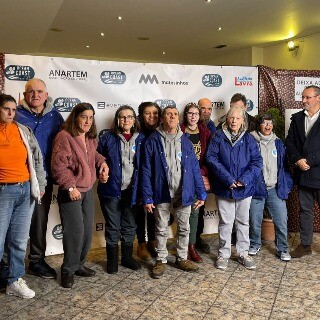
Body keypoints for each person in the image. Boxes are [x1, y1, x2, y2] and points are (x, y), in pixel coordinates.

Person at [141, 106, 207, 279]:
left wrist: (201, 193)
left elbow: (194, 168)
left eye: (175, 114)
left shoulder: (185, 140)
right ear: (162, 118)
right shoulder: (153, 140)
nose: (172, 117)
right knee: (161, 228)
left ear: (179, 118)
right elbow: (146, 170)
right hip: (161, 192)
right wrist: (147, 196)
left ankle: (181, 258)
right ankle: (161, 260)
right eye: (168, 114)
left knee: (184, 228)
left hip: (183, 193)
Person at [51, 103, 108, 288]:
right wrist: (69, 186)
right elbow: (58, 166)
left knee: (86, 233)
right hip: (71, 192)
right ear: (75, 117)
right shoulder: (64, 137)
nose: (88, 121)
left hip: (87, 190)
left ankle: (79, 266)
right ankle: (67, 270)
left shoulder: (90, 137)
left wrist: (102, 163)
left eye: (91, 118)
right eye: (84, 117)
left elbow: (93, 155)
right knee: (74, 233)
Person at [14, 78, 64, 279]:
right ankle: (7, 264)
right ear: (25, 95)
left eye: (39, 91)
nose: (35, 95)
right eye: (31, 91)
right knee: (12, 222)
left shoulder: (55, 117)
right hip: (19, 177)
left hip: (43, 179)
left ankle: (36, 260)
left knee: (39, 221)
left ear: (46, 94)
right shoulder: (14, 114)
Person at [0, 94, 46, 299]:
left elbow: (37, 158)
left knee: (18, 241)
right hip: (2, 192)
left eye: (13, 109)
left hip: (25, 190)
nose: (11, 113)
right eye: (5, 109)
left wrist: (41, 184)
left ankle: (14, 280)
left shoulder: (22, 130)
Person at [206, 105, 262, 270]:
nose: (234, 121)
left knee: (243, 222)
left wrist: (244, 180)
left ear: (243, 120)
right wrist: (228, 179)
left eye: (237, 118)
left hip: (245, 189)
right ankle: (223, 255)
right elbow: (211, 158)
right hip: (225, 188)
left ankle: (243, 253)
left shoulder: (249, 139)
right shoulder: (218, 136)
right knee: (226, 222)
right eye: (231, 118)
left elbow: (257, 162)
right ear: (227, 119)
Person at [98, 105, 143, 274]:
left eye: (129, 117)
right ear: (117, 119)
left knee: (130, 225)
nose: (126, 120)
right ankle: (112, 260)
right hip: (111, 189)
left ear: (134, 120)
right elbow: (97, 159)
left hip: (132, 191)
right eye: (123, 117)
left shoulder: (141, 139)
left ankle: (127, 257)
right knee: (112, 226)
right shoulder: (107, 138)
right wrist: (100, 171)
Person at [249, 113, 293, 261]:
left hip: (275, 188)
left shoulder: (279, 143)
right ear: (258, 125)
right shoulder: (250, 141)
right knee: (254, 219)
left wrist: (286, 185)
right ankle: (255, 244)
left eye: (270, 123)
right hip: (256, 189)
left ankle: (283, 249)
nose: (268, 126)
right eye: (264, 123)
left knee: (281, 219)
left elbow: (285, 167)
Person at [285, 85, 320, 258]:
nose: (304, 100)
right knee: (305, 211)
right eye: (303, 97)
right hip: (303, 174)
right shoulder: (297, 118)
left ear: (318, 98)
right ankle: (305, 245)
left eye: (308, 97)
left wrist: (310, 161)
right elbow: (289, 142)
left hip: (318, 172)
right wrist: (298, 160)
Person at [180, 103, 211, 263]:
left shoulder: (205, 133)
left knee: (194, 213)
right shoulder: (178, 130)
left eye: (196, 114)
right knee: (178, 213)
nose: (193, 116)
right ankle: (180, 246)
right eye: (190, 113)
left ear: (200, 116)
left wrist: (202, 173)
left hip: (197, 178)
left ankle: (191, 247)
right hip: (180, 177)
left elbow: (209, 158)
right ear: (185, 115)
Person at [136, 102, 162, 261]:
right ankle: (141, 244)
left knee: (153, 211)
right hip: (138, 177)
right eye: (147, 113)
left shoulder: (160, 133)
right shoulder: (137, 133)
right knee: (139, 212)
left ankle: (152, 241)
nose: (152, 116)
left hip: (155, 178)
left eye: (155, 113)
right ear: (141, 115)